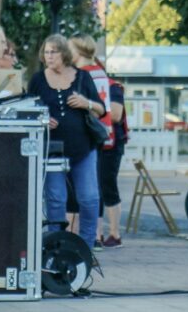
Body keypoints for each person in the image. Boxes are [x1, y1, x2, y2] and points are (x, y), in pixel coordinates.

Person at [28, 34, 105, 249]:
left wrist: (85, 103)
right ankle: (56, 247)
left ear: (64, 54)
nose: (49, 56)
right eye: (46, 51)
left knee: (89, 198)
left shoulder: (82, 77)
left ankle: (87, 247)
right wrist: (42, 119)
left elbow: (101, 110)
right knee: (56, 200)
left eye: (54, 51)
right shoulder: (38, 79)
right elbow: (29, 109)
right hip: (52, 150)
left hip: (83, 148)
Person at [68, 34, 113, 250]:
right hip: (103, 130)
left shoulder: (81, 74)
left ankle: (77, 234)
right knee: (95, 187)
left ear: (77, 50)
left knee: (82, 188)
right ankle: (97, 233)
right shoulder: (100, 72)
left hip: (87, 131)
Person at [99, 77, 129, 248]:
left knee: (107, 185)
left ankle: (114, 233)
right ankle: (100, 234)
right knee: (99, 187)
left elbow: (116, 115)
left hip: (111, 143)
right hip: (101, 142)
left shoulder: (112, 88)